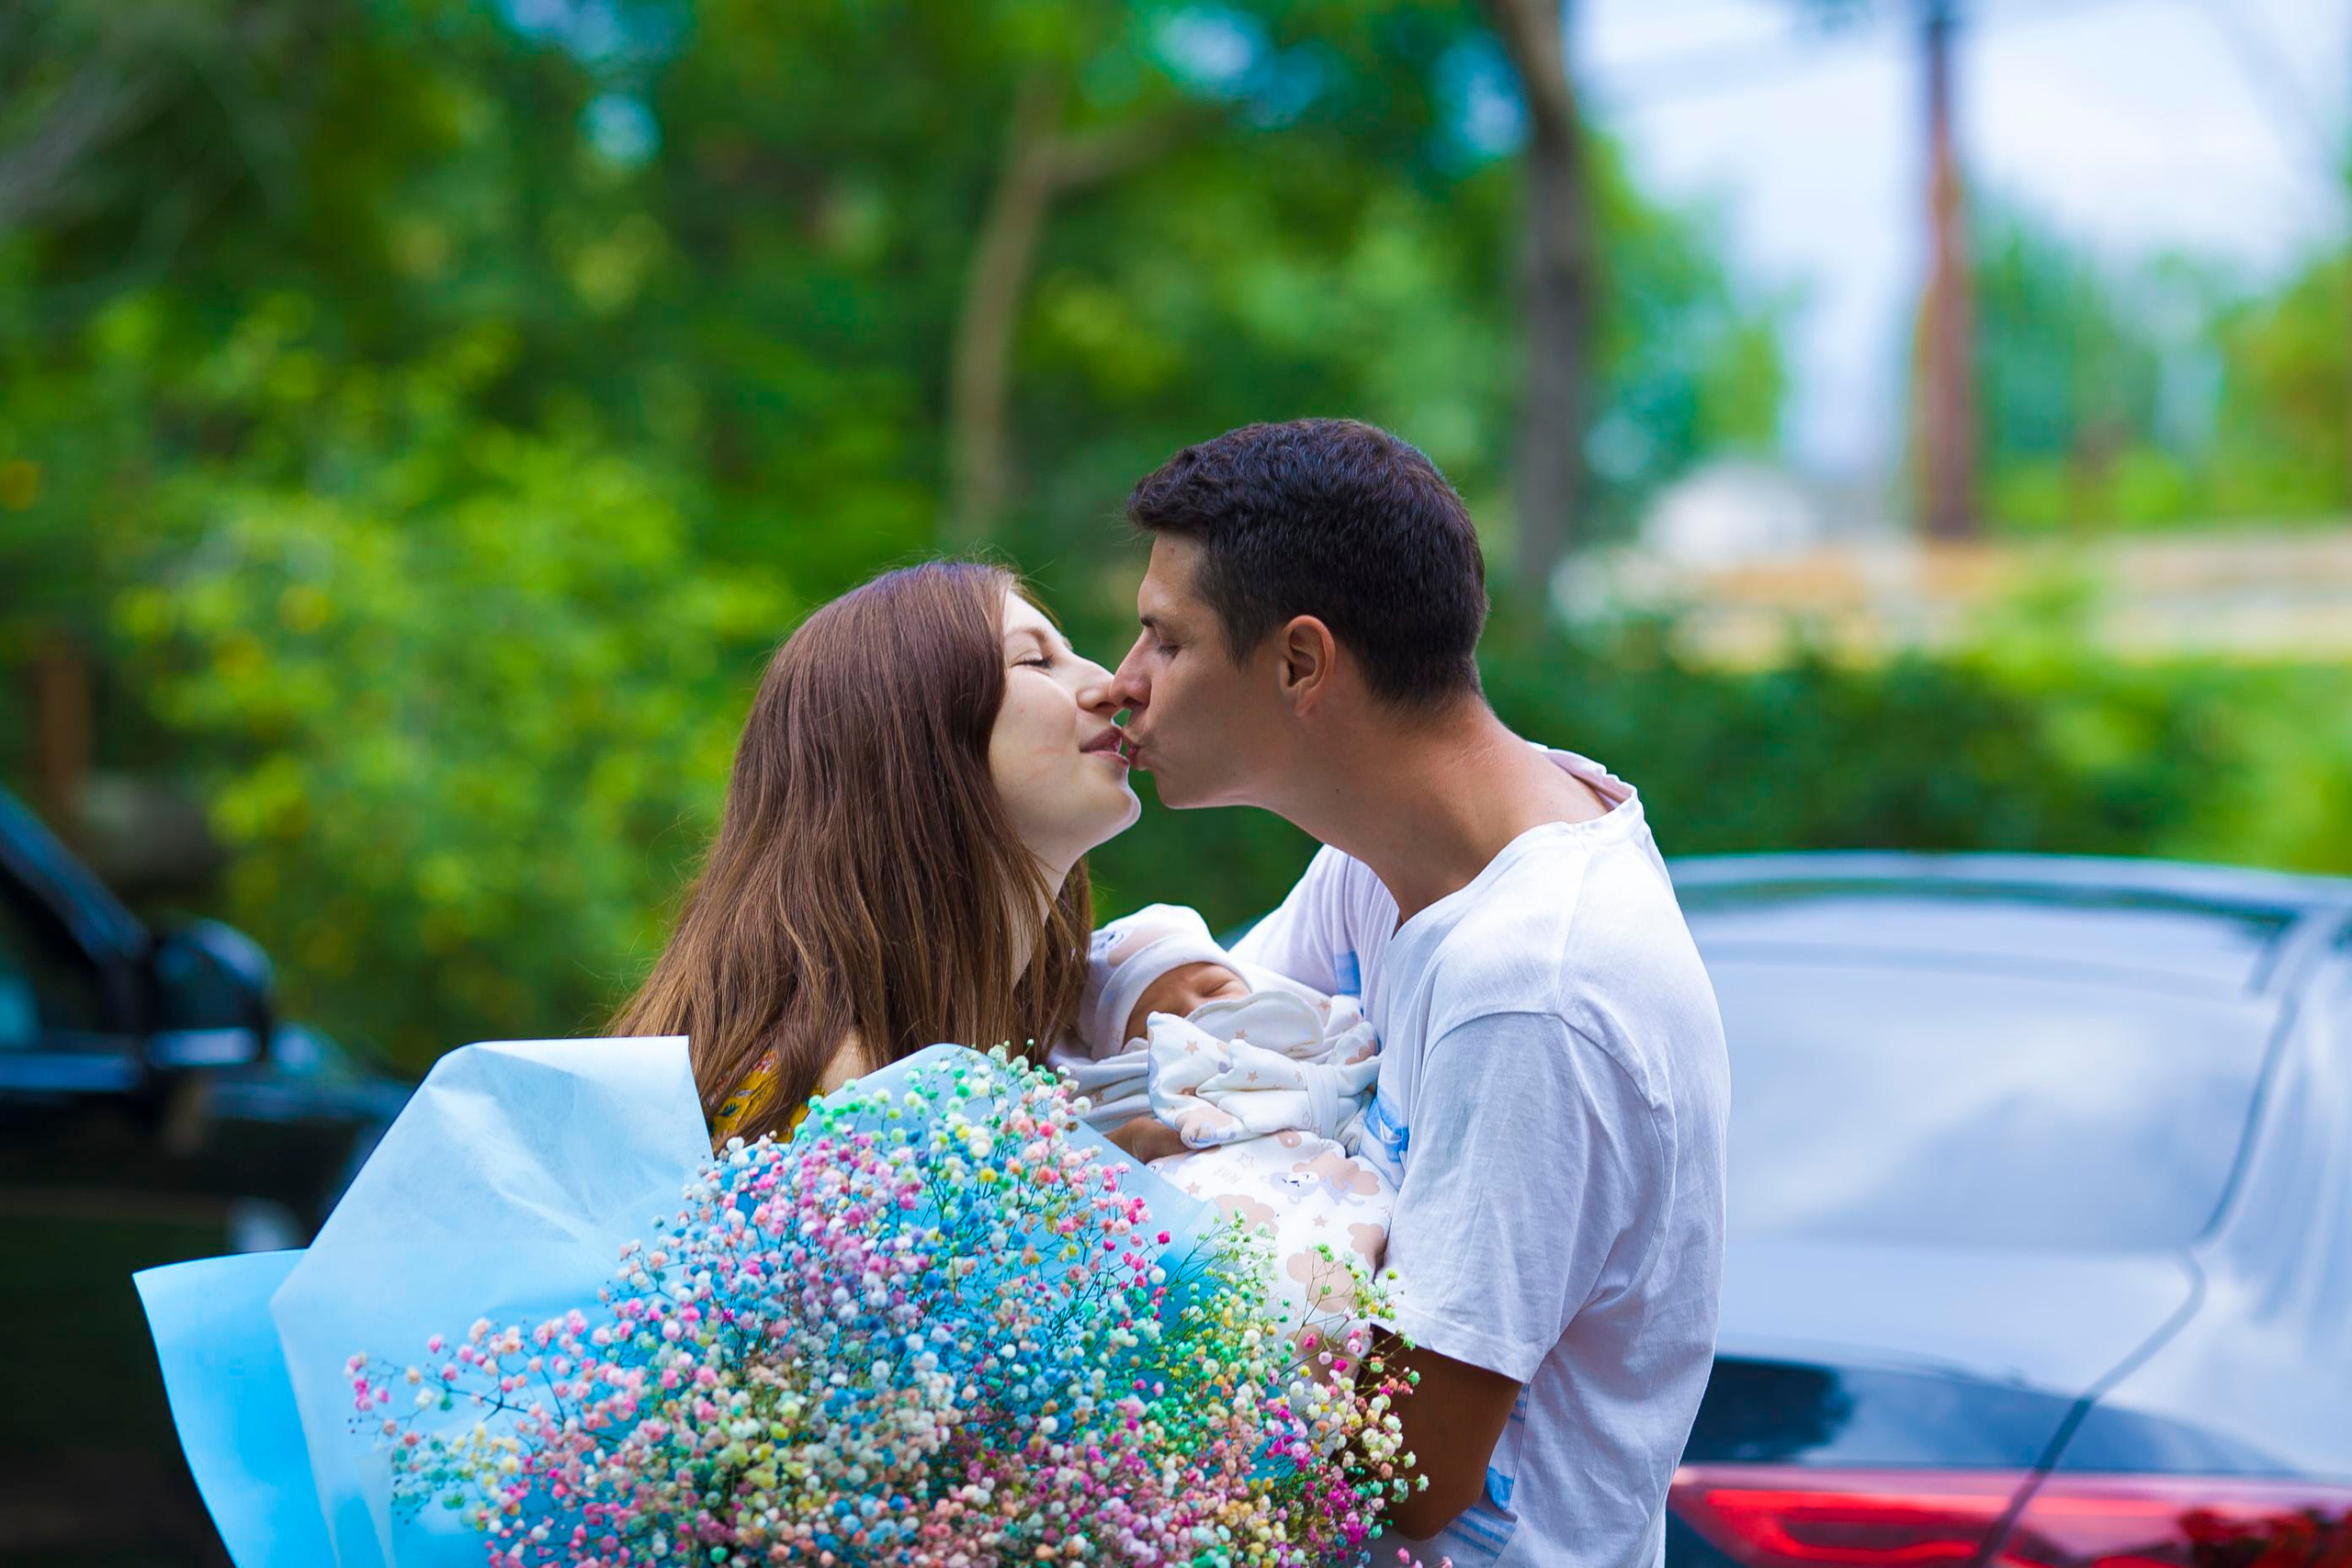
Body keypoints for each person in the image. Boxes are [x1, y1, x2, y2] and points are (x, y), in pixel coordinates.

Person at [1102, 419, 1732, 1568]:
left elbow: (1410, 1469)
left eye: (1164, 640)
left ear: (1299, 662)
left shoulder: (1532, 989)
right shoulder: (1394, 863)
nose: (1122, 685)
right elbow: (1196, 1065)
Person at [608, 559, 1137, 1145]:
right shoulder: (835, 1097)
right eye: (1037, 661)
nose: (1110, 684)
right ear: (912, 739)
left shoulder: (1038, 1040)